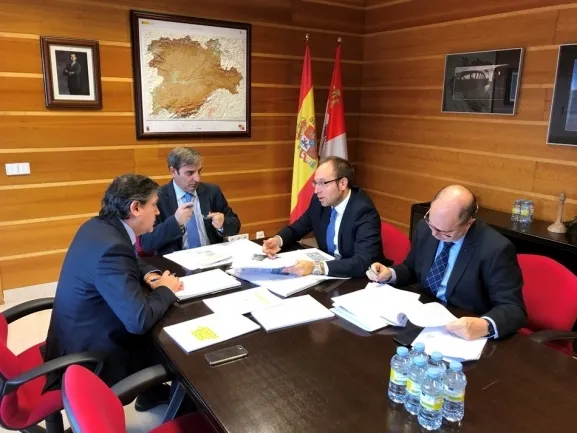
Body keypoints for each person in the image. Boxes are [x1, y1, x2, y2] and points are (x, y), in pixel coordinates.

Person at [44, 174, 182, 411]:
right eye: (154, 205)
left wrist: (148, 274)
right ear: (135, 208)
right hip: (89, 359)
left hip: (73, 336)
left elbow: (129, 256)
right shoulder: (113, 248)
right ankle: (187, 410)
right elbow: (138, 320)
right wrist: (165, 289)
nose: (158, 212)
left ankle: (150, 393)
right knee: (178, 350)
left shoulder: (99, 227)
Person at [367, 185, 527, 340]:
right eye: (432, 224)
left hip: (462, 327)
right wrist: (390, 274)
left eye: (446, 232)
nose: (434, 234)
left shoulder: (495, 249)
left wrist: (485, 325)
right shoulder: (425, 228)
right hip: (424, 314)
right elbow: (412, 268)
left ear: (468, 223)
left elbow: (514, 309)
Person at [262, 156, 390, 278]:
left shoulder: (363, 211)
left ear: (343, 183)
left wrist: (316, 267)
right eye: (315, 183)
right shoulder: (320, 201)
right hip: (330, 274)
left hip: (361, 280)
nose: (316, 190)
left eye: (323, 183)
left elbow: (363, 262)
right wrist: (278, 240)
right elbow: (298, 228)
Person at [139, 147, 241, 255]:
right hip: (176, 261)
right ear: (173, 171)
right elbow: (147, 242)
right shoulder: (158, 197)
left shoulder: (212, 191)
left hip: (212, 256)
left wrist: (222, 224)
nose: (197, 179)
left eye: (199, 171)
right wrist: (175, 221)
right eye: (189, 173)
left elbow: (235, 225)